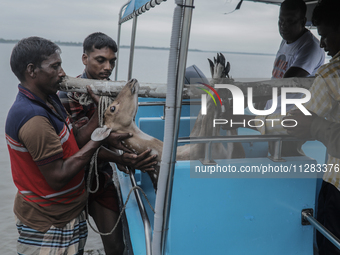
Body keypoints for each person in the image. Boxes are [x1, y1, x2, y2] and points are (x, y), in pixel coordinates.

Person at [5, 36, 139, 254]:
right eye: (55, 66)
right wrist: (99, 141)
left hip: (68, 210)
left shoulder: (49, 99)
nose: (62, 72)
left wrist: (99, 118)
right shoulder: (33, 118)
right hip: (48, 221)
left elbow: (74, 137)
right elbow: (57, 177)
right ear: (31, 70)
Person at [226, 0, 340, 253]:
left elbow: (295, 123)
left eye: (326, 35)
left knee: (330, 242)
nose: (322, 44)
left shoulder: (331, 74)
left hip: (337, 180)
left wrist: (241, 119)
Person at [58, 32, 156, 255]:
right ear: (85, 59)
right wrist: (119, 156)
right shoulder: (67, 93)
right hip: (70, 182)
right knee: (72, 246)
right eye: (100, 60)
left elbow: (119, 134)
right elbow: (76, 143)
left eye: (112, 61)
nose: (107, 67)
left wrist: (127, 158)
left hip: (100, 178)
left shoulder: (114, 93)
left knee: (115, 245)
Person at [264, 0, 325, 113]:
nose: (283, 26)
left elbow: (285, 83)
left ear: (303, 22)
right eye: (281, 20)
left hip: (289, 119)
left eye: (290, 21)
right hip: (271, 112)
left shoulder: (310, 47)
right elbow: (276, 78)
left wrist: (247, 97)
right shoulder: (286, 40)